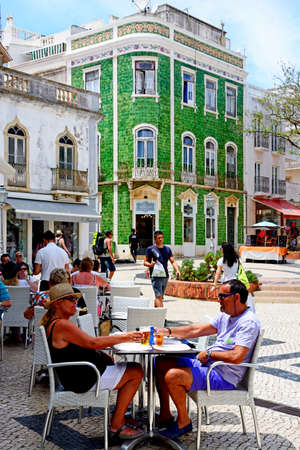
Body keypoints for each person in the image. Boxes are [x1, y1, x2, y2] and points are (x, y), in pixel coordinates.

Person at [154, 279, 261, 439]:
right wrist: (167, 331)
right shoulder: (226, 316)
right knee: (161, 362)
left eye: (222, 296)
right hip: (209, 366)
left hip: (223, 376)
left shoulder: (248, 322)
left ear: (236, 297)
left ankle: (184, 422)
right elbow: (195, 329)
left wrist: (211, 354)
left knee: (173, 376)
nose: (218, 300)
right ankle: (165, 415)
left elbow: (237, 356)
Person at [40, 283, 144, 440]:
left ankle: (121, 416)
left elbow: (82, 347)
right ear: (58, 303)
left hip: (78, 374)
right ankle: (117, 425)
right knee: (136, 372)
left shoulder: (57, 323)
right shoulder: (62, 324)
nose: (75, 303)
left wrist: (100, 354)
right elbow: (93, 343)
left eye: (76, 299)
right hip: (82, 379)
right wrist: (126, 336)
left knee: (132, 367)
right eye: (71, 299)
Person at [213, 242, 255, 312]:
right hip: (236, 283)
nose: (220, 249)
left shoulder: (221, 261)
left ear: (224, 250)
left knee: (225, 302)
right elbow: (241, 270)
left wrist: (214, 284)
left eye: (221, 248)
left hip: (227, 283)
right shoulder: (236, 259)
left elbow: (218, 273)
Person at [144, 230, 181, 308]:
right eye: (158, 238)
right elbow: (145, 262)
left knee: (160, 297)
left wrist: (177, 270)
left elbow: (173, 261)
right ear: (155, 239)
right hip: (155, 275)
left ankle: (156, 314)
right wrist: (150, 265)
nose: (160, 239)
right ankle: (160, 318)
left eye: (161, 238)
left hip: (165, 276)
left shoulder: (167, 249)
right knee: (159, 296)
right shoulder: (150, 249)